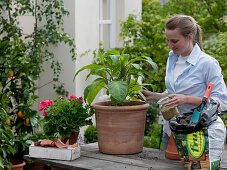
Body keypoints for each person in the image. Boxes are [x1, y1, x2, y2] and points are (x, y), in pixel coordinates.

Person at [136, 14, 227, 150]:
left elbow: (222, 102)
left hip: (195, 137)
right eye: (168, 40)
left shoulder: (207, 64)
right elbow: (175, 95)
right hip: (171, 133)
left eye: (174, 41)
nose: (169, 46)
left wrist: (187, 99)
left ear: (189, 36)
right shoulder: (172, 59)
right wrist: (154, 96)